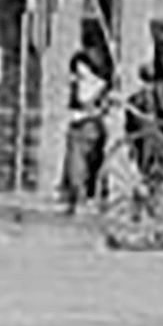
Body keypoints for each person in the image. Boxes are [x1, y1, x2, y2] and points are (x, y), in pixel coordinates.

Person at [61, 51, 110, 213]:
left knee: (82, 164)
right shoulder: (81, 85)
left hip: (88, 127)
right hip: (83, 127)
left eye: (82, 71)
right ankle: (80, 197)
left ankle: (85, 197)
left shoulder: (97, 86)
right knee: (80, 164)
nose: (78, 75)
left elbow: (93, 105)